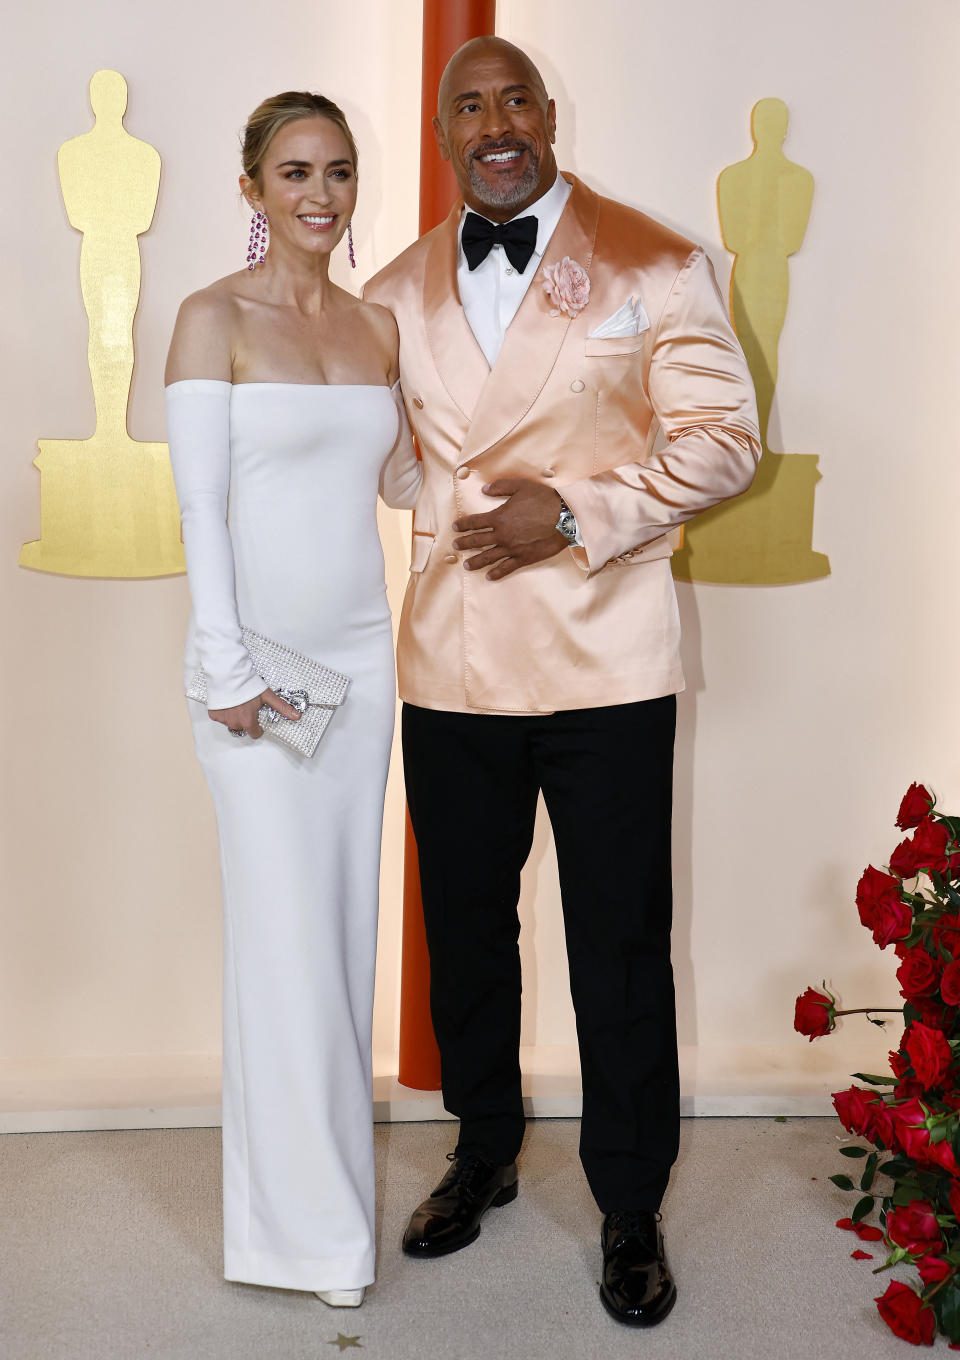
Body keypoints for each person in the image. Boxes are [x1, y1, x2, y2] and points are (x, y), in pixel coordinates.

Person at [364, 37, 760, 1327]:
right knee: (466, 929)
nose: (496, 123)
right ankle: (482, 1145)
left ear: (548, 113)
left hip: (604, 657)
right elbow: (401, 460)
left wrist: (578, 512)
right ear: (441, 132)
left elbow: (724, 442)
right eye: (467, 105)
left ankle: (631, 1200)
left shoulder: (654, 258)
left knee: (619, 942)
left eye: (514, 99)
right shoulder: (394, 288)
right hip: (453, 658)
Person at [164, 92, 420, 1308]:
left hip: (360, 670)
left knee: (339, 936)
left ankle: (313, 1222)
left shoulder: (377, 327)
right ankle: (305, 1237)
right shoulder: (210, 318)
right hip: (255, 673)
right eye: (294, 173)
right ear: (254, 189)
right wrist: (225, 671)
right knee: (282, 945)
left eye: (339, 171)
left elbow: (413, 472)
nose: (320, 195)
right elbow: (200, 509)